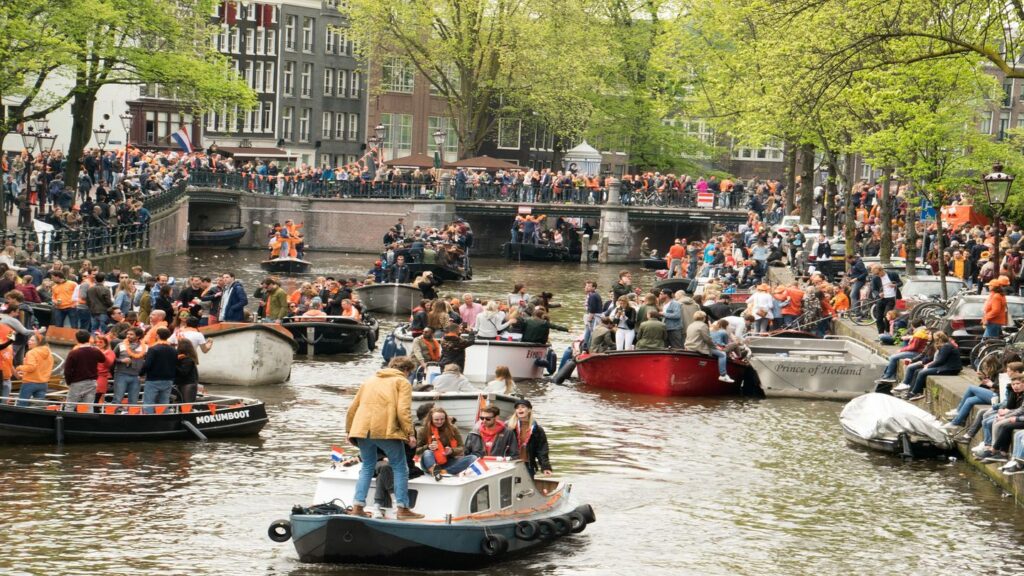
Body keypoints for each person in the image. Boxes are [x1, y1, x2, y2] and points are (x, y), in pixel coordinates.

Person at [346, 356, 423, 520]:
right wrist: (409, 433)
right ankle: (402, 508)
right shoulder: (402, 382)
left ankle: (358, 506)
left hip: (361, 429)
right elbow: (403, 410)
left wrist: (349, 430)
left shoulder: (369, 381)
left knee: (367, 466)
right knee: (400, 467)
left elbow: (353, 407)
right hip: (385, 430)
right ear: (407, 370)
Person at [416, 406, 478, 480]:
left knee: (473, 458)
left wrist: (451, 451)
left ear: (445, 419)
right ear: (431, 419)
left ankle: (443, 472)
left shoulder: (453, 429)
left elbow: (462, 447)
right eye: (436, 420)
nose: (440, 422)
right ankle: (434, 470)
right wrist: (428, 446)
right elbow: (416, 451)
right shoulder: (423, 431)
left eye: (442, 419)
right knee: (427, 452)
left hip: (448, 462)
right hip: (428, 462)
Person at [903, 331, 961, 401]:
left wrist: (928, 366)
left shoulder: (946, 347)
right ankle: (912, 392)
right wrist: (928, 365)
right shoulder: (945, 345)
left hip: (951, 369)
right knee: (917, 371)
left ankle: (915, 392)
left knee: (922, 372)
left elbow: (940, 361)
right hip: (945, 366)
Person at [63, 330, 108, 411]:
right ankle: (89, 422)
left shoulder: (74, 353)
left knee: (70, 405)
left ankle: (67, 421)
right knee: (89, 406)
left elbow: (67, 370)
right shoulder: (95, 351)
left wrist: (68, 382)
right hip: (91, 382)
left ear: (77, 340)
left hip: (77, 382)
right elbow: (103, 359)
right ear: (89, 339)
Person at [685, 310, 734, 383]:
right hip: (699, 347)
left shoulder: (690, 325)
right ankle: (723, 375)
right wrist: (715, 347)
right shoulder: (703, 325)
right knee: (722, 355)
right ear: (704, 318)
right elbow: (707, 339)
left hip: (689, 346)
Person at [507, 399, 551, 477]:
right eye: (517, 408)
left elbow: (542, 450)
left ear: (529, 410)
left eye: (523, 407)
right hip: (510, 464)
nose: (520, 409)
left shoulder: (537, 430)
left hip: (528, 464)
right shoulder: (509, 428)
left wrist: (545, 467)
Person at [139, 327, 177, 414]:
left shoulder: (153, 349)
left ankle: (149, 419)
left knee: (149, 401)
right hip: (168, 379)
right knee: (164, 401)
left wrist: (141, 374)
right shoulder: (173, 350)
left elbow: (147, 364)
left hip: (153, 379)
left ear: (157, 336)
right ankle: (164, 419)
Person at [15, 331, 53, 407]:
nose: (29, 341)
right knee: (38, 407)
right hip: (43, 383)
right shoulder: (49, 353)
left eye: (32, 340)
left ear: (38, 343)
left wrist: (19, 368)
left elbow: (31, 367)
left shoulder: (32, 352)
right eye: (29, 339)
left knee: (22, 405)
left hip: (30, 382)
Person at [112, 326, 146, 405]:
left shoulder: (145, 347)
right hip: (121, 374)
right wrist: (121, 360)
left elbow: (148, 362)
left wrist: (143, 375)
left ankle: (132, 416)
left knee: (133, 400)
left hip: (136, 376)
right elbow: (111, 358)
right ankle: (113, 415)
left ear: (138, 336)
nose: (128, 336)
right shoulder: (120, 345)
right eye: (127, 334)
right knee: (117, 398)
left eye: (131, 334)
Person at [175, 338, 200, 404]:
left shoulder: (188, 360)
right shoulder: (186, 358)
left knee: (187, 404)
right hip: (183, 383)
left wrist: (174, 364)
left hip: (188, 384)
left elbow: (183, 372)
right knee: (182, 403)